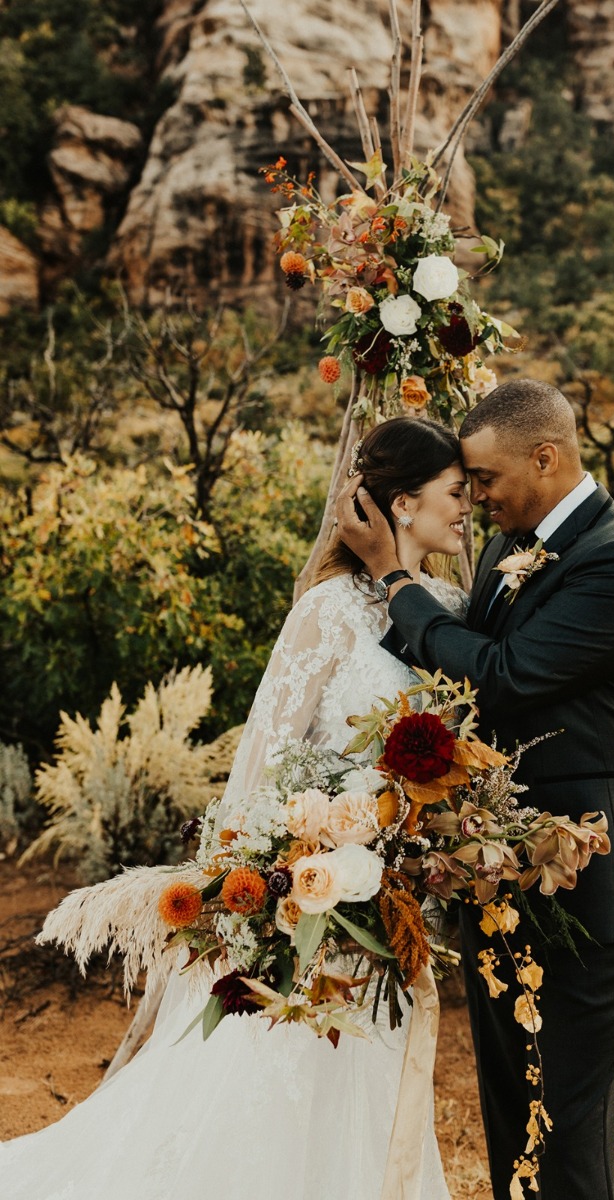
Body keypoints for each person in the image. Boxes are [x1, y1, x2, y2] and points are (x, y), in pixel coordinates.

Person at [0, 416, 472, 1200]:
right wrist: (264, 883)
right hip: (310, 886)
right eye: (455, 493)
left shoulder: (452, 605)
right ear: (401, 504)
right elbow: (265, 760)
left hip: (394, 896)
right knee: (285, 1066)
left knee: (366, 1065)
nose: (467, 510)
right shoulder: (328, 612)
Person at [338, 378, 614, 1200]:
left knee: (564, 1125)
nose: (478, 496)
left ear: (546, 456)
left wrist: (395, 577)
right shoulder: (509, 540)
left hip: (596, 885)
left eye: (486, 479)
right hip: (499, 875)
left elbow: (500, 677)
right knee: (512, 1108)